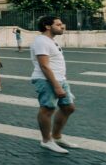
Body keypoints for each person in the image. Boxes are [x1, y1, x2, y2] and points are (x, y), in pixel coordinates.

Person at [30, 16, 77, 154]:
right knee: (47, 109)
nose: (63, 26)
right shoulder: (41, 41)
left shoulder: (51, 41)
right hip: (47, 80)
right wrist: (56, 86)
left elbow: (56, 64)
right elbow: (44, 66)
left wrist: (62, 81)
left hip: (59, 79)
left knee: (68, 107)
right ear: (47, 26)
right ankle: (46, 140)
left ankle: (56, 137)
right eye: (59, 24)